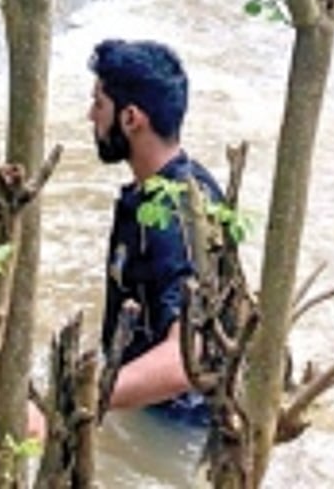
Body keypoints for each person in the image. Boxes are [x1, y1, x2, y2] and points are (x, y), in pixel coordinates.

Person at [87, 38, 224, 420]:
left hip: (179, 423)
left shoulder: (172, 216)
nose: (90, 116)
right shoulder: (177, 186)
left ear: (131, 119)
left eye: (99, 104)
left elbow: (187, 356)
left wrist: (76, 398)